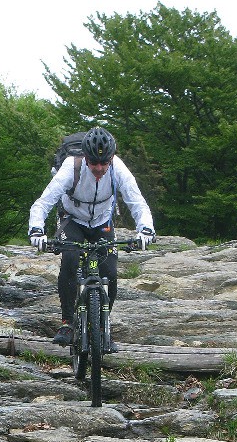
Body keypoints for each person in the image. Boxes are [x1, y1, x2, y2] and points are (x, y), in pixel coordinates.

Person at [28, 127, 155, 349]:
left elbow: (137, 202)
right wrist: (36, 230)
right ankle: (67, 322)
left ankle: (103, 327)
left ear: (111, 159)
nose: (98, 168)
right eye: (93, 163)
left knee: (110, 272)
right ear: (85, 158)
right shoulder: (71, 167)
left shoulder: (119, 169)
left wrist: (145, 229)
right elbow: (43, 202)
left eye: (103, 163)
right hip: (72, 220)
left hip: (102, 223)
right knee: (70, 259)